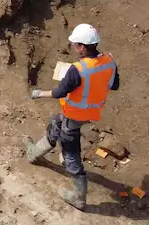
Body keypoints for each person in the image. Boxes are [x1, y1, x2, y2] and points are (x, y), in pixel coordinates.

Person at [25, 23, 119, 211]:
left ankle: (78, 198)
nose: (74, 48)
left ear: (82, 47)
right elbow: (114, 85)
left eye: (75, 45)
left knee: (71, 155)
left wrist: (39, 94)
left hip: (75, 114)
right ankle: (34, 154)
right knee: (56, 124)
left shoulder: (78, 69)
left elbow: (60, 92)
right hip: (90, 111)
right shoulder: (109, 61)